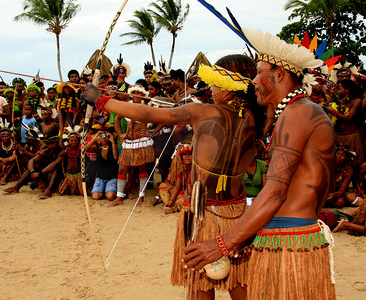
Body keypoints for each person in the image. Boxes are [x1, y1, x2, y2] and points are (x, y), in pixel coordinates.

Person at [84, 53, 264, 299]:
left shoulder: (204, 112)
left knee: (200, 279)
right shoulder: (257, 115)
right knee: (239, 281)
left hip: (205, 212)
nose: (210, 88)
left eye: (215, 82)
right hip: (236, 211)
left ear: (228, 85)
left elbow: (147, 114)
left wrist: (100, 100)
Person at [179, 28, 336, 299]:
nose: (252, 82)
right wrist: (252, 234)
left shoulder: (298, 112)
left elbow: (276, 191)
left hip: (291, 240)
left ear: (280, 74)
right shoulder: (299, 111)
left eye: (258, 73)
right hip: (289, 235)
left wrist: (222, 243)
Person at [86, 130, 119, 201]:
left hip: (112, 178)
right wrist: (94, 139)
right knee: (95, 197)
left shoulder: (113, 146)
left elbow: (115, 157)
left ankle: (108, 190)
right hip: (100, 178)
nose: (104, 138)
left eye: (106, 136)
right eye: (102, 137)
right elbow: (85, 149)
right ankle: (103, 190)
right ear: (99, 138)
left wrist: (112, 141)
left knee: (110, 197)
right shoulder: (96, 147)